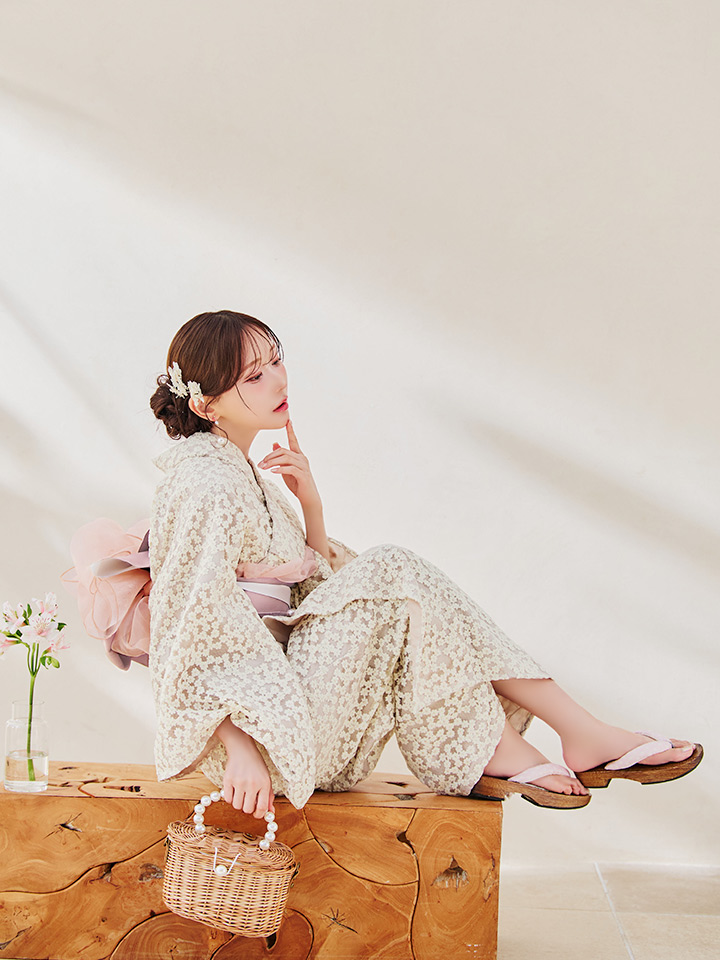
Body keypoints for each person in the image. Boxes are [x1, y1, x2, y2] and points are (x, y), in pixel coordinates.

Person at [146, 310, 702, 821]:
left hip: (299, 719)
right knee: (393, 569)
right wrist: (240, 749)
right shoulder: (205, 481)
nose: (278, 380)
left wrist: (311, 503)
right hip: (261, 745)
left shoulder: (249, 479)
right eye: (254, 376)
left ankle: (523, 742)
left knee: (402, 591)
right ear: (206, 405)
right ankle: (562, 736)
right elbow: (187, 631)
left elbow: (323, 597)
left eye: (276, 360)